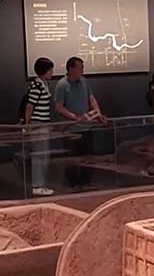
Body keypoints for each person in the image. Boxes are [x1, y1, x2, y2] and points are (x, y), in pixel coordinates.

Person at [54, 57, 106, 189]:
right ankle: (73, 183)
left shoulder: (84, 81)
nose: (82, 70)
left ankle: (86, 181)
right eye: (80, 68)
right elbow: (59, 107)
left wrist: (98, 113)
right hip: (70, 129)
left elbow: (91, 99)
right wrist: (75, 117)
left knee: (88, 156)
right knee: (72, 157)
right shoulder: (62, 85)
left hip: (86, 127)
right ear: (71, 69)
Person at [25, 57, 55, 196]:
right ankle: (37, 185)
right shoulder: (36, 86)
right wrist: (28, 125)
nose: (52, 72)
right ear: (45, 71)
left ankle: (41, 184)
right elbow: (29, 107)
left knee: (43, 155)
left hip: (44, 124)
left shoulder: (44, 84)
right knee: (38, 156)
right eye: (50, 70)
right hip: (38, 125)